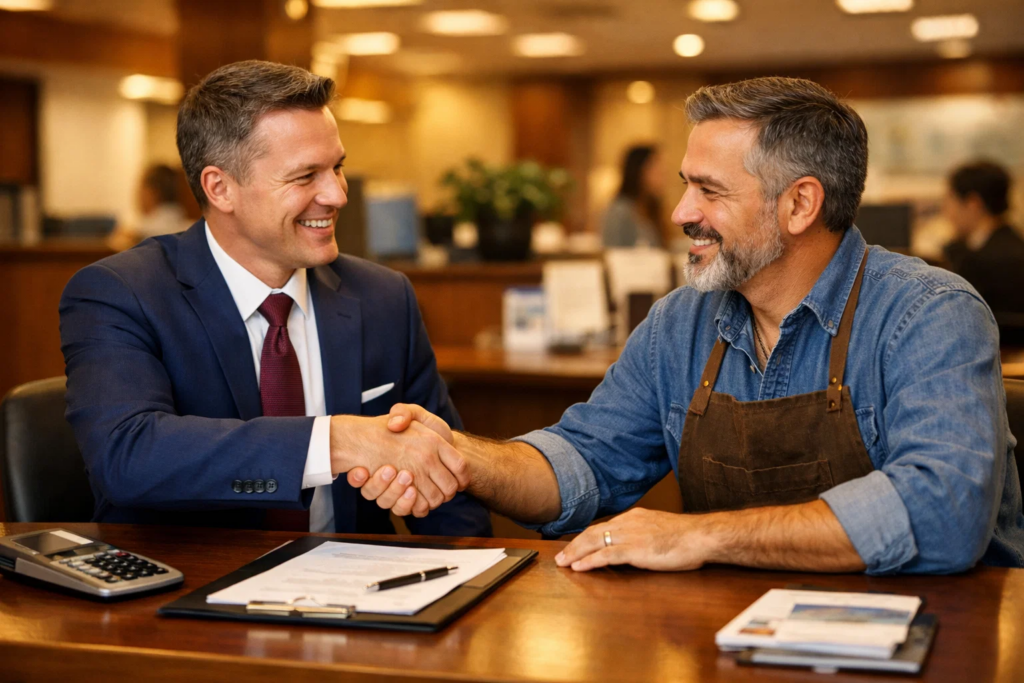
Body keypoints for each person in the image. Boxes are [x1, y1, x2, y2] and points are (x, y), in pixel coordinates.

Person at [352, 76, 1024, 575]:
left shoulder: (929, 313)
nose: (679, 212)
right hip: (732, 634)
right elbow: (585, 462)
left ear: (800, 205)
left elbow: (942, 512)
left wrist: (700, 535)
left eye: (709, 190)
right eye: (683, 185)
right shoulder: (680, 322)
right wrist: (462, 458)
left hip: (936, 635)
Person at [59, 60, 490, 537]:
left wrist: (470, 569)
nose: (337, 195)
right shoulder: (122, 293)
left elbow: (448, 484)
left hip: (355, 576)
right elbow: (127, 457)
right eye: (305, 176)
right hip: (193, 577)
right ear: (220, 188)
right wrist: (335, 442)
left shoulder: (385, 297)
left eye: (337, 167)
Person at [943, 161, 1024, 343]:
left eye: (950, 201)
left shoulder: (977, 261)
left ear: (973, 204)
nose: (947, 212)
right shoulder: (1017, 244)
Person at [106, 164, 192, 251]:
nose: (138, 195)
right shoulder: (193, 230)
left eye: (141, 188)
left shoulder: (139, 235)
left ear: (151, 192)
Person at [602, 145, 666, 248]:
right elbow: (612, 250)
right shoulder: (619, 210)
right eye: (656, 169)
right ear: (639, 171)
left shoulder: (650, 207)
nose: (662, 175)